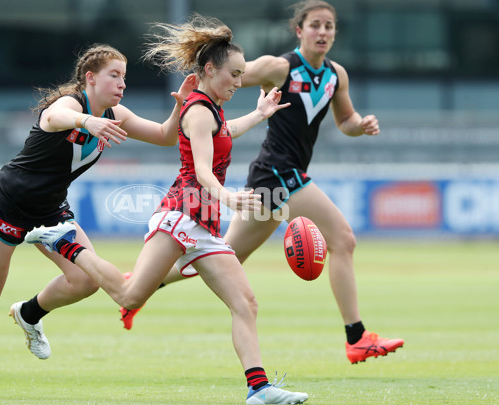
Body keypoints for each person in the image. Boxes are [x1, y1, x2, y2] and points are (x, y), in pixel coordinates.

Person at [25, 15, 309, 405]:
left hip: (202, 223)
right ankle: (66, 244)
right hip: (181, 215)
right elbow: (205, 173)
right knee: (129, 297)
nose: (240, 83)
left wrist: (259, 115)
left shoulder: (212, 108)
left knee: (245, 302)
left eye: (243, 75)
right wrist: (227, 198)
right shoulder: (198, 111)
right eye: (235, 74)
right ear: (210, 70)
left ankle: (259, 389)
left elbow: (224, 135)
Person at [120, 0, 405, 365]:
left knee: (225, 257)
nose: (323, 32)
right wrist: (208, 84)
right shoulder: (280, 66)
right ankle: (357, 337)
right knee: (344, 239)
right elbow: (235, 74)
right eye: (315, 25)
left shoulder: (337, 76)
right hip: (278, 173)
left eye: (329, 26)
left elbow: (346, 121)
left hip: (272, 179)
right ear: (299, 30)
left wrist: (361, 125)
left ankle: (141, 284)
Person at [0, 43, 197, 398]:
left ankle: (30, 313)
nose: (121, 83)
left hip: (50, 210)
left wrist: (179, 107)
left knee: (85, 280)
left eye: (124, 77)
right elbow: (52, 118)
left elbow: (165, 136)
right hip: (8, 202)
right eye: (114, 75)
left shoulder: (115, 114)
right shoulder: (73, 105)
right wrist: (87, 121)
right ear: (90, 78)